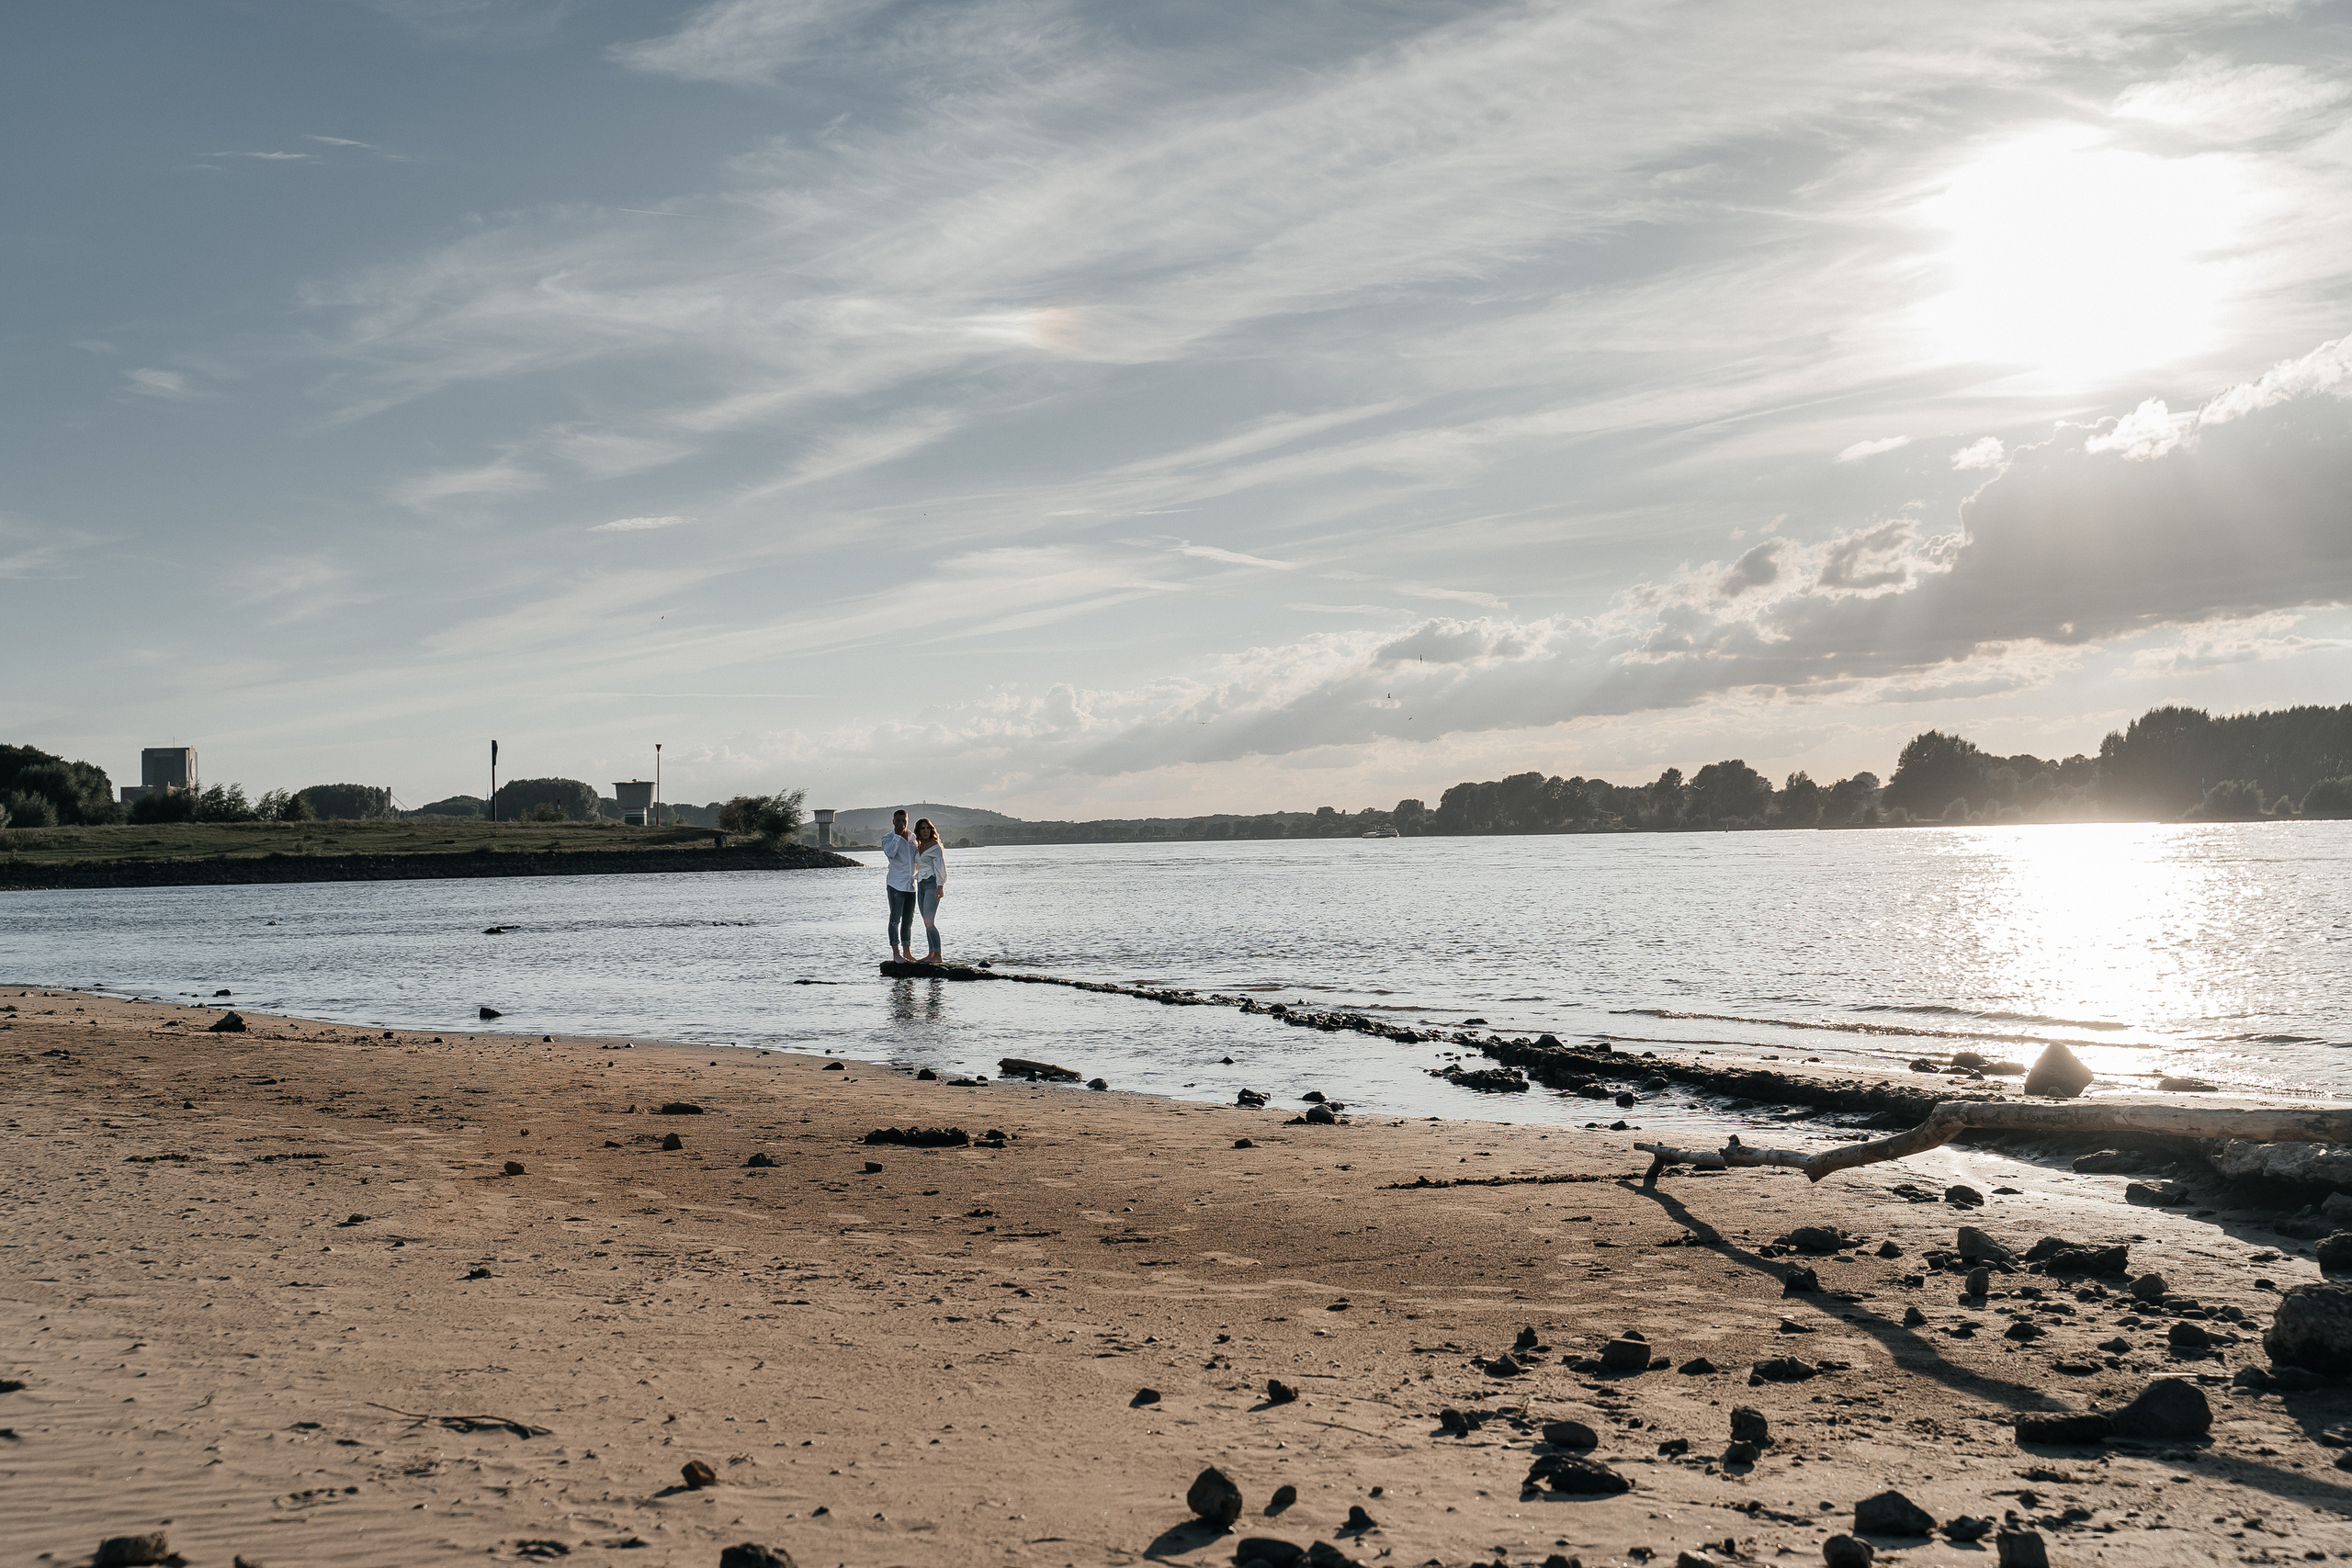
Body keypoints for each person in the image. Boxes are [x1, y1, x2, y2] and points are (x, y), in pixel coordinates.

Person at [879, 808, 917, 962]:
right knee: (895, 920)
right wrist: (897, 836)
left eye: (904, 821)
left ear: (908, 821)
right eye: (899, 821)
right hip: (895, 884)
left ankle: (907, 952)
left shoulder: (913, 838)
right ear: (893, 821)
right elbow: (890, 853)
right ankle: (896, 954)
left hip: (911, 885)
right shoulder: (887, 838)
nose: (902, 823)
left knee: (908, 920)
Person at [911, 817, 947, 962]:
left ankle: (938, 955)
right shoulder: (918, 846)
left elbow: (940, 868)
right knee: (926, 921)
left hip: (932, 884)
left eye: (928, 828)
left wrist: (940, 886)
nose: (925, 831)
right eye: (922, 828)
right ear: (918, 831)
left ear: (931, 830)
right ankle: (931, 954)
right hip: (921, 884)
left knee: (929, 921)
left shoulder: (935, 846)